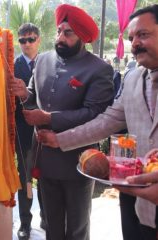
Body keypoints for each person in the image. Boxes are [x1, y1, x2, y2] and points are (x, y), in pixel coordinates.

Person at [37, 4, 158, 240]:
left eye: (143, 35)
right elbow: (105, 122)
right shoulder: (133, 79)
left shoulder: (97, 68)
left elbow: (92, 112)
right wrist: (59, 140)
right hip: (135, 194)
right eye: (132, 37)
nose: (135, 44)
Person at [9, 4, 114, 240]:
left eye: (68, 33)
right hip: (44, 157)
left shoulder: (99, 69)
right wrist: (24, 95)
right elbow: (34, 96)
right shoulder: (43, 60)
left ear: (82, 38)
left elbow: (95, 114)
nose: (60, 38)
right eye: (59, 31)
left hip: (78, 161)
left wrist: (49, 118)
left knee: (77, 229)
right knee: (52, 226)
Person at [14, 23, 45, 240]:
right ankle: (25, 223)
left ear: (39, 40)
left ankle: (47, 217)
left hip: (47, 130)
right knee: (24, 178)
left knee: (46, 176)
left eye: (31, 39)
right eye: (23, 40)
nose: (27, 44)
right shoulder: (11, 65)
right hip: (23, 132)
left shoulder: (48, 63)